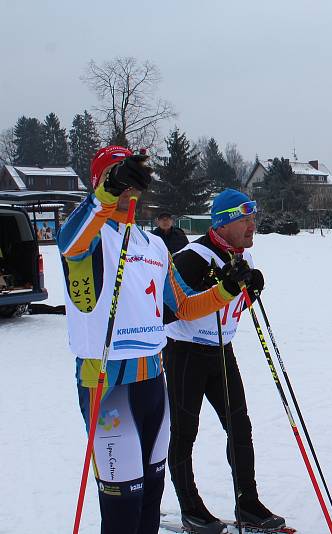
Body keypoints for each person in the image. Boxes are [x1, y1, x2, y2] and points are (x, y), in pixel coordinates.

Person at [57, 146, 252, 534]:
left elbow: (181, 306)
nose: (127, 184)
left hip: (152, 382)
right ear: (100, 181)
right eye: (115, 174)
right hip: (107, 383)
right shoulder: (89, 237)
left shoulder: (154, 245)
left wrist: (228, 291)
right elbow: (69, 240)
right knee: (122, 505)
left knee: (150, 496)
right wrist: (107, 192)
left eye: (129, 174)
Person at [163, 188, 281, 533]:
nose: (252, 226)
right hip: (185, 352)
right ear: (224, 223)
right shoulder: (192, 256)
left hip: (221, 351)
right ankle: (190, 506)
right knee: (185, 432)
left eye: (253, 218)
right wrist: (214, 290)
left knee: (240, 426)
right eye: (245, 219)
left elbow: (231, 309)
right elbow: (171, 311)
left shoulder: (241, 256)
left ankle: (248, 501)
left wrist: (250, 294)